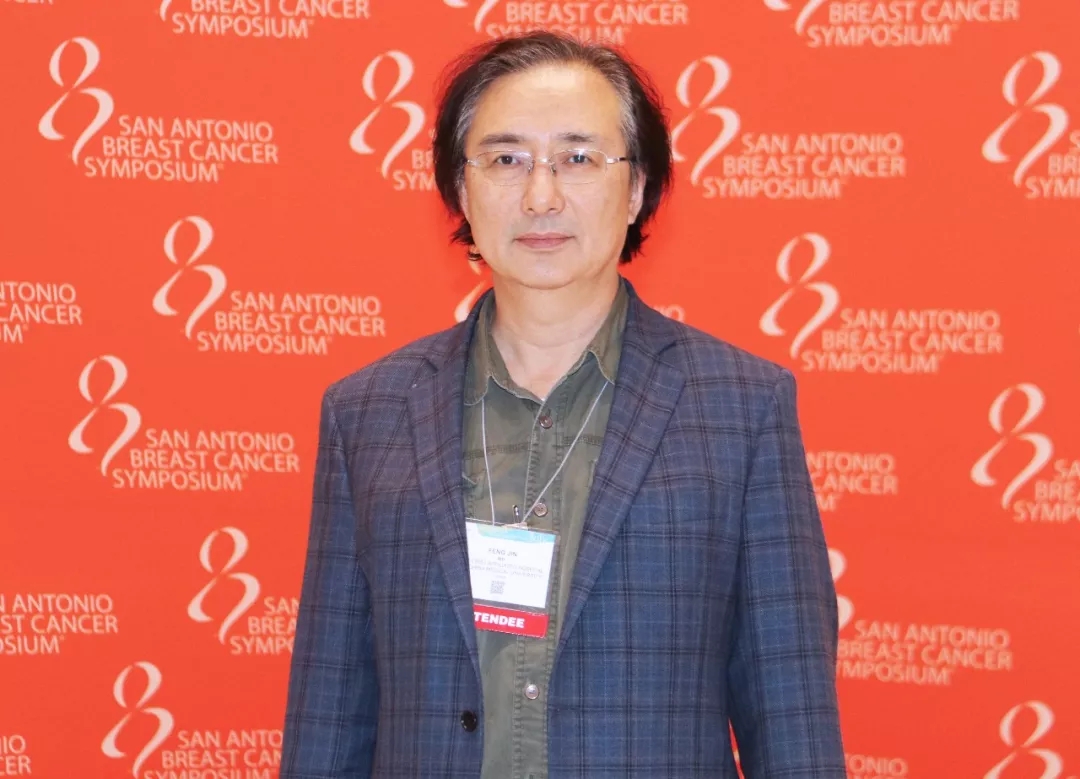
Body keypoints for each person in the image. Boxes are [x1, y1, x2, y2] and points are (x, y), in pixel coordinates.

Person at [281, 31, 845, 779]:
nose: (540, 196)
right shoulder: (368, 412)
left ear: (636, 188)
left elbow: (793, 721)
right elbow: (329, 715)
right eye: (505, 160)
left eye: (578, 158)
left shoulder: (742, 408)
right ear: (461, 190)